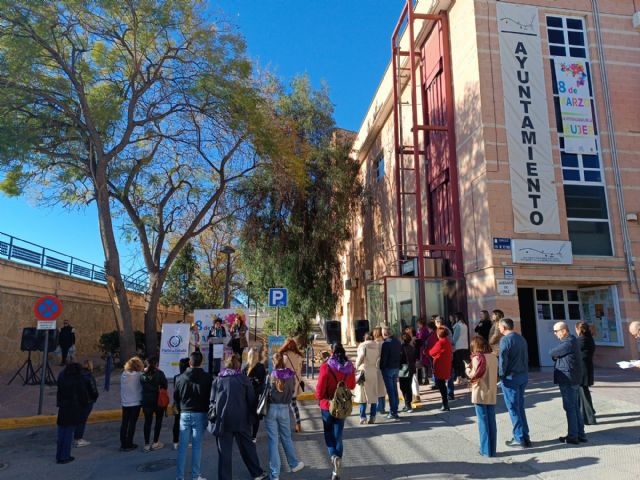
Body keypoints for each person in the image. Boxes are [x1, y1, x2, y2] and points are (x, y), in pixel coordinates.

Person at [209, 354, 268, 480]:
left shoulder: (218, 380)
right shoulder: (243, 379)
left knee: (224, 452)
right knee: (248, 448)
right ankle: (257, 473)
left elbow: (212, 401)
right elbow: (251, 400)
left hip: (223, 420)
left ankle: (225, 478)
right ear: (237, 365)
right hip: (242, 420)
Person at [316, 343, 356, 480]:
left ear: (332, 352)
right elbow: (351, 385)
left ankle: (333, 457)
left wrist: (319, 399)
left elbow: (320, 389)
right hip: (342, 405)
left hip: (327, 405)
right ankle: (336, 471)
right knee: (338, 435)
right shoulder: (349, 367)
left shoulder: (326, 367)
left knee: (328, 433)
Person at [265, 353, 305, 479]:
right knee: (286, 437)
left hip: (272, 408)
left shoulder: (271, 375)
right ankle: (293, 464)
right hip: (284, 408)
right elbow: (293, 391)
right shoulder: (290, 375)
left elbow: (266, 392)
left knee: (273, 441)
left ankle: (274, 474)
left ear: (274, 362)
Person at [174, 351, 213, 480]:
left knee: (182, 447)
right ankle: (195, 475)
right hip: (200, 414)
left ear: (190, 363)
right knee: (197, 446)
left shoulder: (179, 378)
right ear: (201, 362)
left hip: (184, 414)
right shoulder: (208, 377)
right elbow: (211, 397)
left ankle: (179, 477)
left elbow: (176, 398)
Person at [550, 321, 586, 445]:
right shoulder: (571, 341)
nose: (555, 334)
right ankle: (580, 434)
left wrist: (556, 356)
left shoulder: (569, 342)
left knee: (570, 407)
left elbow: (552, 352)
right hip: (572, 378)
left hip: (568, 379)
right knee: (574, 407)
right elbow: (556, 354)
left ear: (564, 331)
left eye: (556, 331)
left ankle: (573, 436)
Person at [498, 318, 531, 448]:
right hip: (522, 376)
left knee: (513, 408)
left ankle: (519, 438)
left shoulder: (505, 340)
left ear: (504, 327)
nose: (499, 328)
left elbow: (503, 360)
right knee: (520, 407)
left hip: (511, 378)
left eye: (499, 326)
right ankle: (525, 436)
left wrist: (501, 375)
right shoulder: (521, 338)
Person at [465, 335, 498, 457]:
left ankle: (485, 450)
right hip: (491, 391)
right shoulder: (494, 357)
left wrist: (467, 370)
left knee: (482, 422)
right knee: (491, 422)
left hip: (480, 391)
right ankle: (492, 450)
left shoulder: (477, 358)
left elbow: (473, 375)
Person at [56, 362, 89, 464]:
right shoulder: (78, 379)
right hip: (73, 408)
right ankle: (65, 456)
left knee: (61, 433)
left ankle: (59, 455)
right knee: (68, 434)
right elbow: (83, 394)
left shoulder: (62, 377)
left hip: (63, 408)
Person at [140, 356, 168, 452]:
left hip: (147, 401)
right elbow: (165, 385)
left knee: (147, 422)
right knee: (158, 421)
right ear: (156, 364)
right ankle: (155, 442)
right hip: (158, 401)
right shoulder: (160, 373)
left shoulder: (142, 375)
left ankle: (146, 444)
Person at [354, 332, 382, 424]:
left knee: (363, 395)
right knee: (373, 394)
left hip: (364, 371)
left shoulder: (363, 346)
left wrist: (356, 365)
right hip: (373, 370)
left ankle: (363, 417)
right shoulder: (376, 346)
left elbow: (361, 356)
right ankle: (373, 416)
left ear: (365, 339)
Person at [279, 338, 304, 432]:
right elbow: (299, 370)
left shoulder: (283, 356)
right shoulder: (298, 356)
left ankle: (284, 427)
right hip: (295, 383)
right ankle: (298, 425)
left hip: (285, 384)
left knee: (283, 406)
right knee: (294, 405)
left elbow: (280, 370)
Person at [243, 347, 267, 442]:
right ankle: (254, 436)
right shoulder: (261, 367)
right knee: (256, 416)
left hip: (247, 395)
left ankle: (248, 434)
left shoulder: (245, 367)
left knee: (247, 414)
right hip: (257, 395)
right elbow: (264, 382)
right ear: (257, 356)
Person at [120, 356, 143, 451]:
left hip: (125, 402)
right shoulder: (139, 375)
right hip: (136, 402)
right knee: (132, 423)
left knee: (124, 423)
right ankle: (129, 443)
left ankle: (123, 444)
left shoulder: (123, 374)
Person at [73, 360, 99, 448]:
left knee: (77, 419)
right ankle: (78, 439)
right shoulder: (89, 376)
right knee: (82, 421)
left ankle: (75, 437)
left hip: (77, 401)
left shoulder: (76, 376)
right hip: (87, 401)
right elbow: (94, 390)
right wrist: (94, 398)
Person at [576, 322, 596, 425]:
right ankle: (587, 413)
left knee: (584, 393)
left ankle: (589, 418)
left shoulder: (580, 340)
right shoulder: (589, 338)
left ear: (578, 330)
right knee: (583, 392)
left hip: (582, 370)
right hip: (587, 368)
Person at [380, 326, 402, 419]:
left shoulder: (386, 344)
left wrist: (382, 368)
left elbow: (384, 358)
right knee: (394, 389)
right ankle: (395, 409)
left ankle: (393, 411)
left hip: (388, 368)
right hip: (395, 367)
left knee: (391, 391)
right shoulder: (397, 341)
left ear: (385, 334)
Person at [429, 327, 453, 411]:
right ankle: (445, 403)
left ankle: (445, 404)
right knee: (443, 384)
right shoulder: (447, 342)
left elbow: (431, 352)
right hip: (446, 365)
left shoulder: (440, 342)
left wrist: (434, 355)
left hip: (440, 366)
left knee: (441, 385)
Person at [172, 357, 190, 450]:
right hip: (186, 403)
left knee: (176, 423)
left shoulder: (176, 377)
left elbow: (175, 391)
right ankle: (185, 442)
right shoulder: (189, 377)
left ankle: (175, 442)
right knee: (186, 424)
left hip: (178, 402)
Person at [435, 316, 455, 400]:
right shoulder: (446, 329)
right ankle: (450, 393)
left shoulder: (441, 330)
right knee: (448, 373)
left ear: (438, 322)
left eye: (435, 322)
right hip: (449, 353)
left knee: (447, 374)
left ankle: (449, 393)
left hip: (445, 354)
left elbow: (443, 343)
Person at [398, 332, 417, 413]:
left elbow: (400, 359)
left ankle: (408, 405)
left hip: (403, 369)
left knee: (403, 387)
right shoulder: (412, 347)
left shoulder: (401, 348)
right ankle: (408, 404)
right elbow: (415, 358)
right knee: (408, 386)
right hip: (411, 368)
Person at [452, 312, 470, 384]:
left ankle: (459, 378)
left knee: (458, 363)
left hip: (458, 346)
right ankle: (464, 377)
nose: (455, 319)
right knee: (462, 363)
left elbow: (455, 337)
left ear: (458, 318)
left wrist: (452, 343)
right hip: (465, 346)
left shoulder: (458, 325)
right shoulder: (465, 325)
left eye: (456, 317)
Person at [372, 327, 386, 414]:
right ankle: (382, 407)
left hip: (376, 367)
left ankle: (378, 407)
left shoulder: (374, 344)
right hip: (384, 367)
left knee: (376, 388)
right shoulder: (384, 343)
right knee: (382, 389)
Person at [414, 318, 429, 385]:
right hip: (419, 348)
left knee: (424, 364)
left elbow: (424, 338)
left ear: (421, 323)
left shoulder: (425, 330)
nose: (417, 325)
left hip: (423, 348)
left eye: (418, 323)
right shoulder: (419, 330)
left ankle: (426, 379)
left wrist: (418, 338)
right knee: (420, 364)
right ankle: (421, 379)